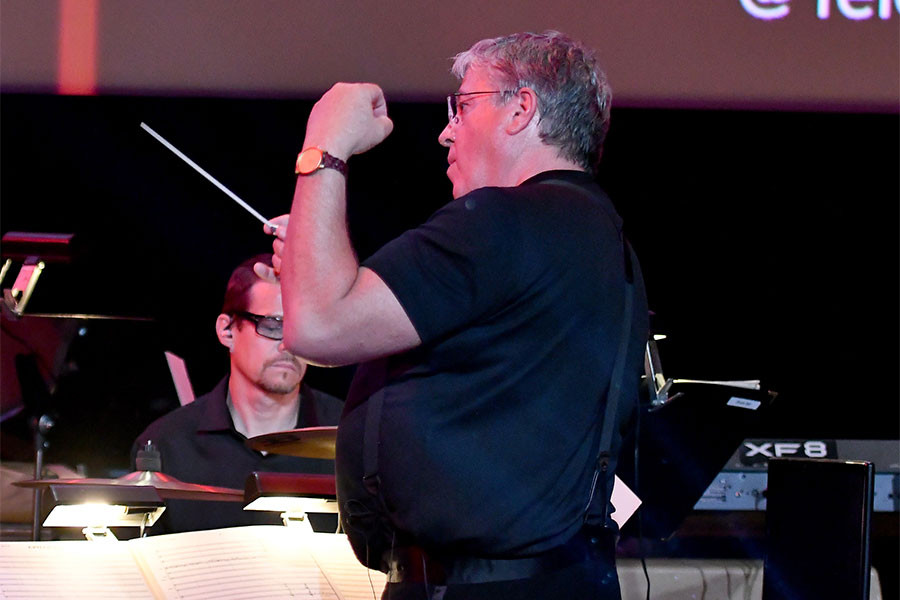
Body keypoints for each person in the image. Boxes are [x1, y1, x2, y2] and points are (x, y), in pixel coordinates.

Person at [260, 31, 648, 599]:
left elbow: (318, 327)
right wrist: (312, 261)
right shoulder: (600, 238)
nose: (446, 131)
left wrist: (325, 147)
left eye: (463, 107)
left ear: (520, 109)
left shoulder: (501, 222)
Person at [132, 254, 343, 534]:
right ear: (227, 331)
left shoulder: (351, 434)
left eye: (300, 327)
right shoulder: (166, 444)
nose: (289, 344)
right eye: (273, 324)